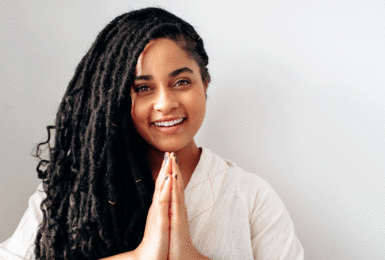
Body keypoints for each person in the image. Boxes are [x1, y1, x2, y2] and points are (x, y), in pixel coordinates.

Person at [0, 7, 304, 260]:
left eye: (181, 82)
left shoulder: (251, 197)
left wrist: (189, 256)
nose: (166, 104)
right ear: (116, 100)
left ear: (205, 83)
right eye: (143, 88)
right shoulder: (71, 192)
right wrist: (138, 257)